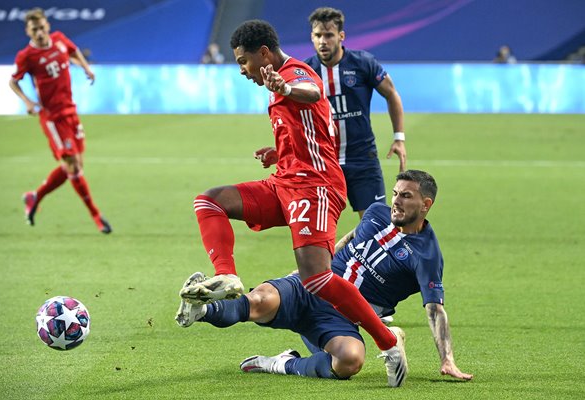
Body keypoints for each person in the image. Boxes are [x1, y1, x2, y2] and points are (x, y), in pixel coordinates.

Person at [178, 20, 407, 385]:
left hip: (315, 188)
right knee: (209, 202)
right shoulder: (278, 79)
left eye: (243, 61)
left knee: (316, 279)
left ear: (264, 53)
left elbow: (312, 92)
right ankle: (226, 274)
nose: (241, 70)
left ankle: (387, 340)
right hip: (286, 181)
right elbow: (309, 126)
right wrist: (280, 152)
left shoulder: (296, 73)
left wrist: (285, 86)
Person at [177, 170, 473, 383]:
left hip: (342, 320)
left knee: (351, 360)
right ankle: (200, 309)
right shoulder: (377, 212)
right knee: (259, 301)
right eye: (395, 193)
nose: (396, 201)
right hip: (314, 286)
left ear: (426, 204)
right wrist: (316, 266)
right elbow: (350, 238)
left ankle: (282, 364)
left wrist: (447, 360)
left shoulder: (427, 255)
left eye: (406, 196)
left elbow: (435, 310)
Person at [9, 8, 111, 234]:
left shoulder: (59, 39)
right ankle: (96, 215)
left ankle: (34, 197)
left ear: (47, 26)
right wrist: (27, 102)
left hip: (70, 111)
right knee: (72, 164)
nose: (40, 32)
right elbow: (13, 82)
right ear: (28, 31)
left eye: (42, 27)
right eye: (34, 29)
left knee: (75, 167)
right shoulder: (26, 56)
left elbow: (74, 52)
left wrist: (85, 67)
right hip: (52, 117)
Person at [305, 7, 407, 218]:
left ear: (341, 36)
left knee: (376, 226)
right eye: (318, 36)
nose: (323, 41)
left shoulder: (363, 63)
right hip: (322, 161)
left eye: (329, 35)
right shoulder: (305, 71)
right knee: (318, 228)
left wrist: (399, 138)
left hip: (362, 159)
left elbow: (392, 94)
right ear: (311, 38)